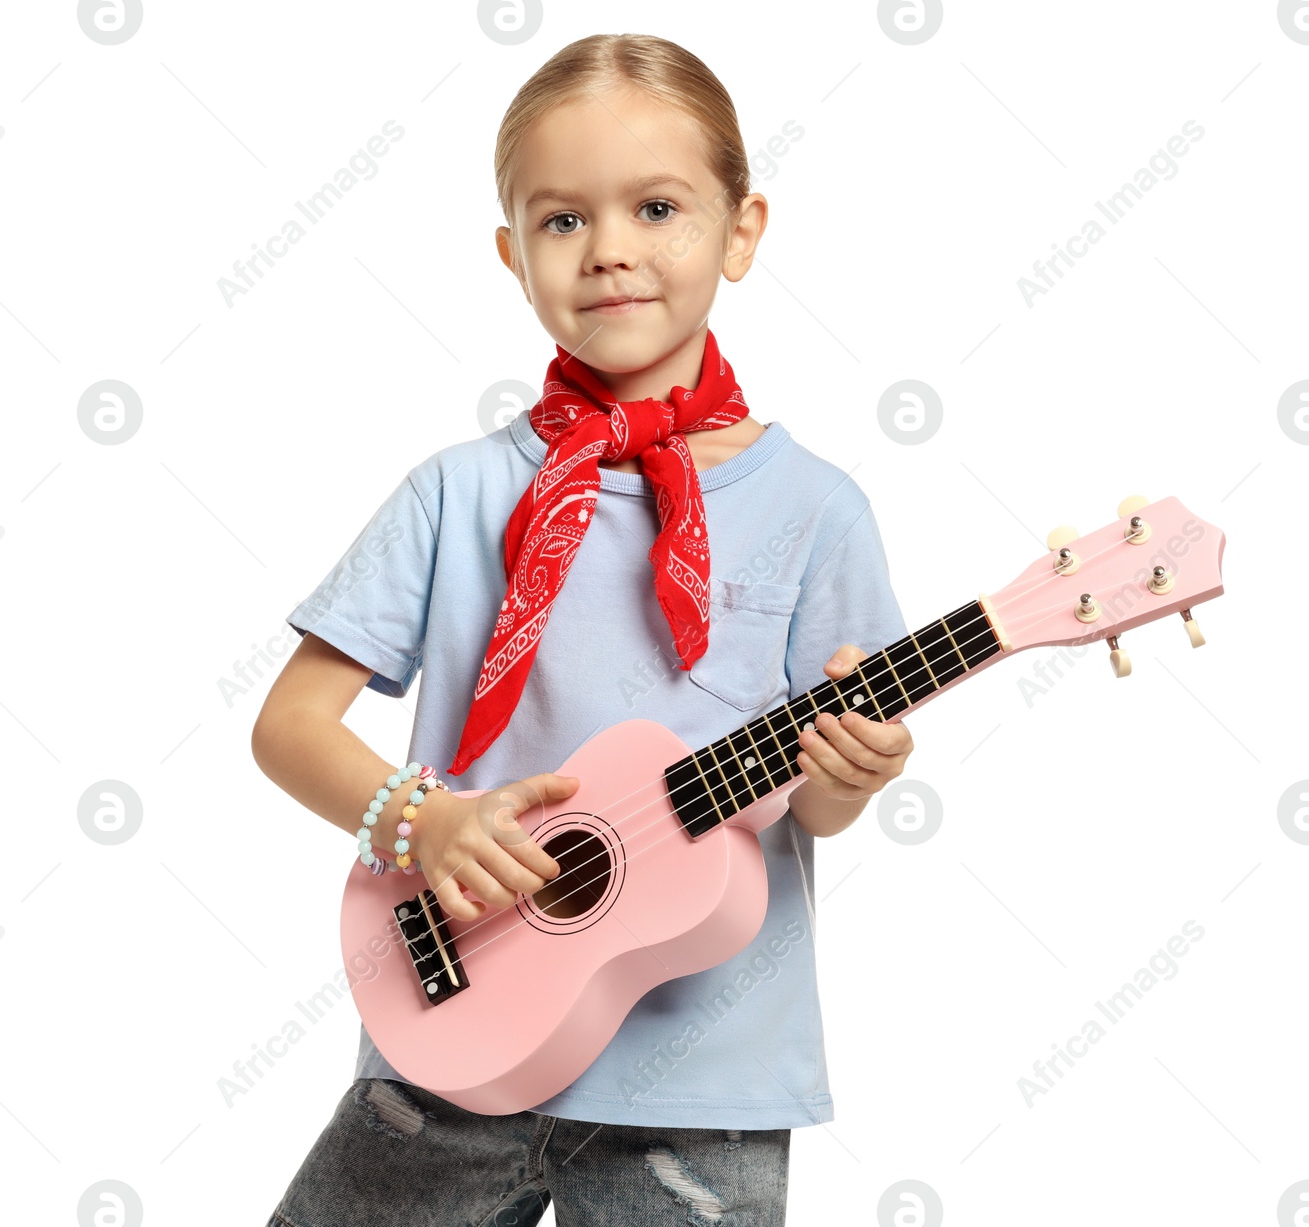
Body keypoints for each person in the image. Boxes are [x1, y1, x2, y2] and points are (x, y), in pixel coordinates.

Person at [254, 32, 916, 1227]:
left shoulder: (819, 512)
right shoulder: (456, 495)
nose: (610, 249)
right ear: (512, 255)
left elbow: (811, 805)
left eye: (657, 207)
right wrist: (427, 822)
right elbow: (291, 723)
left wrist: (850, 778)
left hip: (700, 1085)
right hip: (450, 1044)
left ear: (742, 229)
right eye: (562, 221)